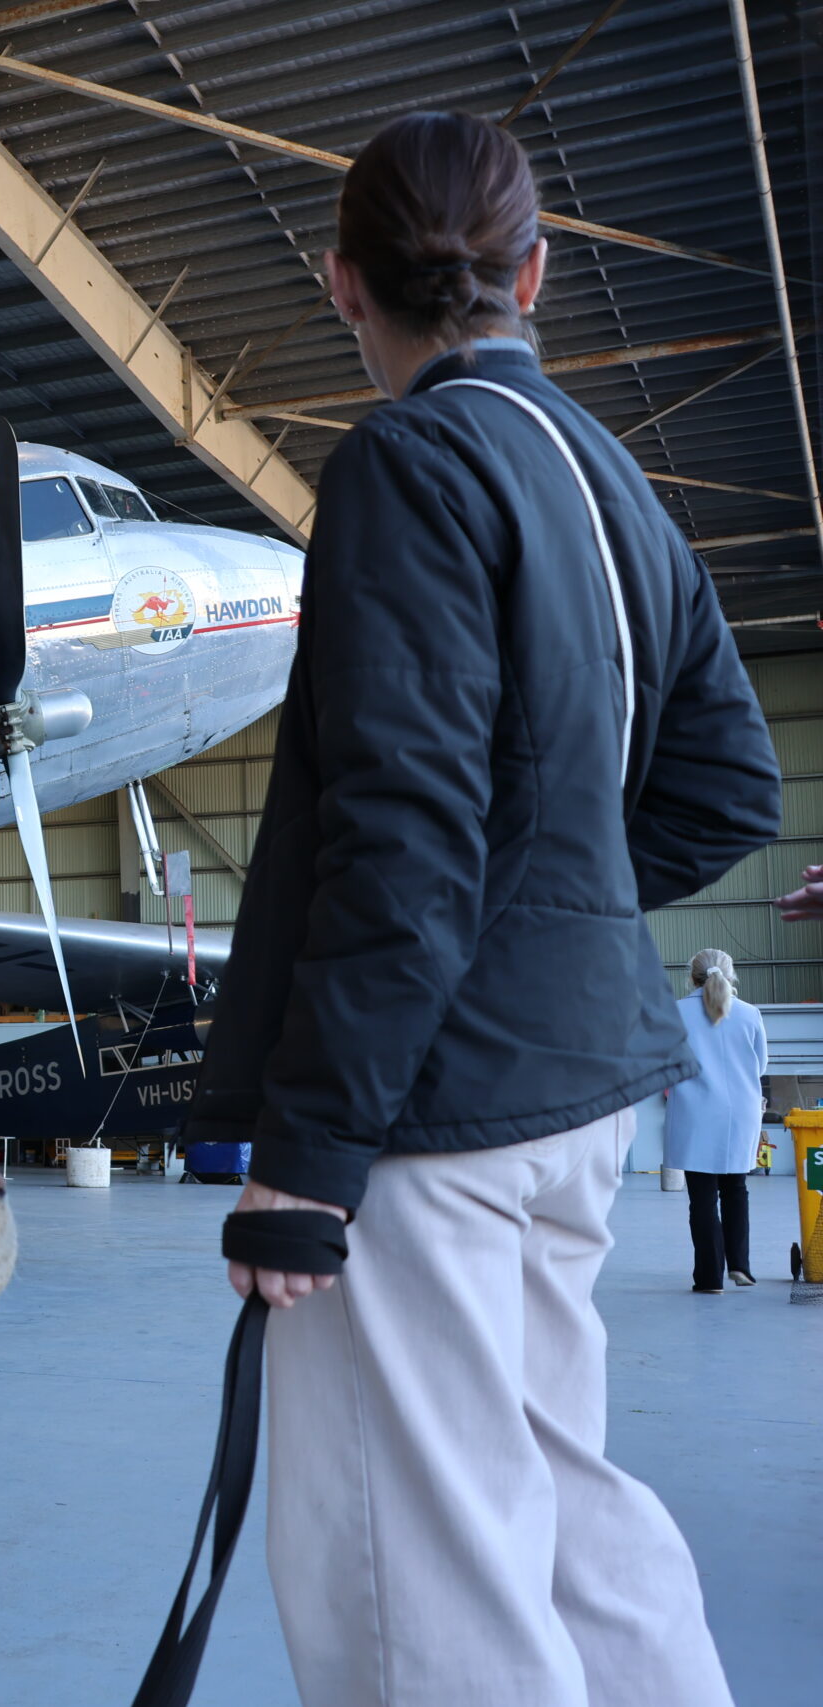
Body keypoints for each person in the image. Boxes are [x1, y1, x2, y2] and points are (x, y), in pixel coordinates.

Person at [181, 111, 779, 1707]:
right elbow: (732, 787)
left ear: (342, 284)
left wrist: (308, 1153)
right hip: (581, 1094)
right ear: (536, 271)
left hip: (429, 1116)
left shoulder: (405, 465)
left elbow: (406, 834)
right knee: (559, 1502)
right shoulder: (615, 480)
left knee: (416, 1578)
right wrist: (559, 905)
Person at [665, 948, 768, 1292]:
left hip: (695, 1111)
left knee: (703, 1198)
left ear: (691, 977)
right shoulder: (750, 1013)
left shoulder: (676, 1012)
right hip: (740, 1111)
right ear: (731, 975)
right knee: (736, 1188)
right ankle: (740, 1266)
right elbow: (760, 1065)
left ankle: (710, 1278)